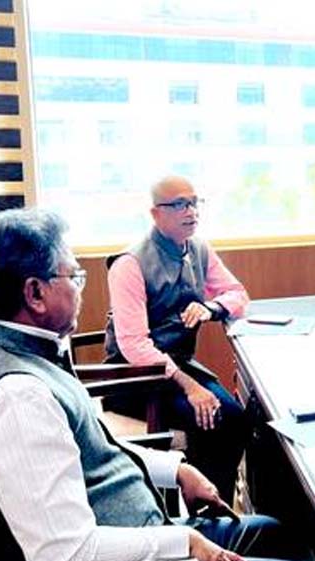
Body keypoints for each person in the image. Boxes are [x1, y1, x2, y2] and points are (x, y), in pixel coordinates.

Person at [0, 209, 309, 561]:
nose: (79, 288)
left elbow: (89, 449)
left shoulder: (23, 354)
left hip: (140, 527)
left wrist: (175, 469)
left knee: (280, 535)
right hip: (132, 548)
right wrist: (185, 540)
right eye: (74, 276)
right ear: (35, 294)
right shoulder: (16, 400)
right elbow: (67, 555)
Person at [104, 176, 249, 503]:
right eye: (180, 204)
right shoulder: (129, 263)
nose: (191, 211)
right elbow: (134, 345)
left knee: (237, 418)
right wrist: (190, 387)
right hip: (134, 378)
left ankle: (218, 507)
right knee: (214, 419)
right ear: (156, 213)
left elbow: (238, 294)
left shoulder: (198, 248)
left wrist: (210, 308)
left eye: (194, 203)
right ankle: (203, 508)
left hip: (178, 366)